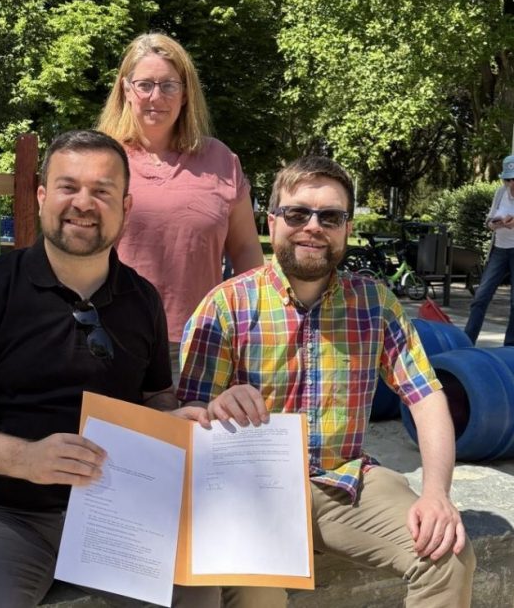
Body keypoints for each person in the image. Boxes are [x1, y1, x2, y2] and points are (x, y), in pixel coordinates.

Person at [0, 130, 219, 608]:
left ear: (125, 206)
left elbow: (156, 398)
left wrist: (172, 422)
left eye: (102, 191)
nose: (83, 203)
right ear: (42, 197)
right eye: (68, 186)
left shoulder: (142, 299)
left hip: (116, 514)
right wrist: (26, 459)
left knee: (200, 593)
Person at [178, 155, 475, 607]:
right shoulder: (226, 305)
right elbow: (187, 421)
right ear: (271, 222)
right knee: (259, 596)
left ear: (347, 229)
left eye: (330, 217)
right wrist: (216, 408)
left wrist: (437, 493)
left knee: (447, 555)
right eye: (297, 213)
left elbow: (426, 396)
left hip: (344, 481)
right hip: (252, 492)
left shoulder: (374, 303)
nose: (313, 227)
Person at [96, 32, 264, 379]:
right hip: (112, 336)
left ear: (186, 93)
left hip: (202, 341)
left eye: (169, 85)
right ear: (126, 89)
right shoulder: (100, 157)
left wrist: (252, 322)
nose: (156, 96)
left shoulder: (221, 160)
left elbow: (246, 249)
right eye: (145, 85)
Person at [465, 154, 514, 346]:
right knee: (480, 297)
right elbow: (488, 221)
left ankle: (510, 347)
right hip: (499, 250)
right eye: (508, 179)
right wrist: (494, 224)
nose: (511, 184)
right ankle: (467, 342)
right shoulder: (500, 193)